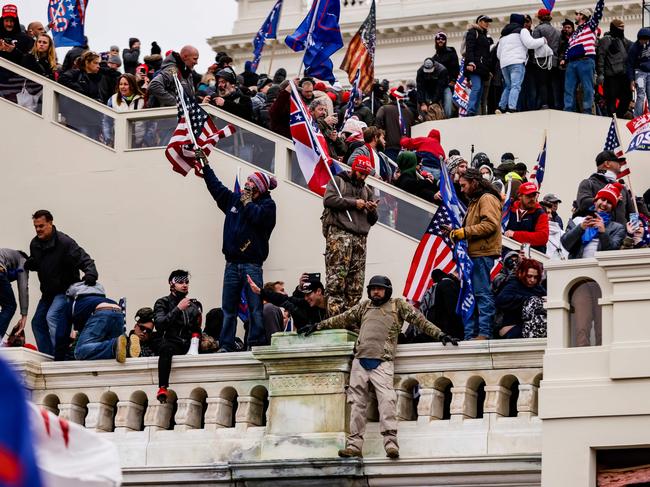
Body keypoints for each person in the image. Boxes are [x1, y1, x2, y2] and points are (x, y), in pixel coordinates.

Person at [298, 275, 458, 459]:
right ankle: (354, 446)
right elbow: (341, 319)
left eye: (379, 288)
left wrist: (441, 335)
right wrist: (317, 326)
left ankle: (391, 445)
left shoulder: (398, 305)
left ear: (387, 290)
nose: (375, 291)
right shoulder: (364, 306)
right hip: (360, 361)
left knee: (387, 403)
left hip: (383, 362)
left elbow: (420, 321)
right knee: (357, 405)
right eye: (373, 288)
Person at [202, 162, 277, 352]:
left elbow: (258, 218)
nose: (246, 183)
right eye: (247, 180)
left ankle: (255, 344)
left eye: (251, 182)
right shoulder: (234, 200)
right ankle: (226, 344)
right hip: (232, 264)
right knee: (228, 310)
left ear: (259, 187)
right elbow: (216, 188)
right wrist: (206, 167)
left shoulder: (268, 205)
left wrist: (248, 202)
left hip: (252, 264)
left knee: (255, 308)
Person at [25, 210, 98, 360]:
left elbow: (85, 259)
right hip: (48, 293)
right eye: (36, 226)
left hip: (65, 290)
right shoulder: (35, 244)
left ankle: (63, 355)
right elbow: (39, 261)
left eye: (41, 226)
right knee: (37, 322)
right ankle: (48, 356)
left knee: (52, 317)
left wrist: (91, 273)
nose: (38, 229)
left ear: (50, 223)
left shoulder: (65, 243)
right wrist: (32, 263)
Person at [448, 168, 502, 340]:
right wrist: (454, 232)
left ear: (474, 182)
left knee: (481, 294)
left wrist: (464, 232)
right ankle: (470, 334)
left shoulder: (487, 199)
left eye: (464, 185)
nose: (461, 189)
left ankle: (484, 333)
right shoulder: (475, 201)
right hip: (473, 256)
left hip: (482, 254)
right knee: (470, 295)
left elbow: (490, 225)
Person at [322, 156, 378, 316]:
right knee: (336, 280)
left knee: (356, 285)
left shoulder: (367, 191)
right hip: (340, 235)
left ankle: (350, 320)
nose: (363, 177)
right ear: (354, 169)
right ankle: (334, 319)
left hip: (360, 239)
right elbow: (329, 200)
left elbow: (373, 220)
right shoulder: (338, 181)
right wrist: (354, 203)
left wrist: (372, 209)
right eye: (361, 173)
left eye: (365, 175)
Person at [153, 270, 203, 402]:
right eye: (180, 282)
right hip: (171, 343)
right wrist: (178, 309)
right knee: (166, 348)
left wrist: (197, 341)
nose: (184, 285)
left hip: (188, 344)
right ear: (171, 283)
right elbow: (160, 325)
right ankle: (162, 387)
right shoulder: (162, 302)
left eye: (186, 282)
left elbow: (196, 329)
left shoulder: (192, 306)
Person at [66, 281, 135, 362]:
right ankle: (127, 347)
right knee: (117, 351)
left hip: (102, 312)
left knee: (80, 351)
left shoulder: (77, 302)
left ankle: (114, 345)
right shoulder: (100, 299)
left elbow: (66, 334)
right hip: (118, 312)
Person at [496, 14, 547, 114]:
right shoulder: (522, 30)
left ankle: (501, 107)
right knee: (515, 86)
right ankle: (511, 108)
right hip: (517, 62)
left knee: (508, 86)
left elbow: (498, 54)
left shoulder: (503, 36)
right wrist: (542, 40)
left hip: (504, 64)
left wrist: (505, 59)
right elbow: (530, 44)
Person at [562, 183, 627, 259]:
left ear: (612, 208)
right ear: (595, 201)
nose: (604, 204)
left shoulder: (618, 228)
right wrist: (580, 228)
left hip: (601, 269)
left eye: (609, 202)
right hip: (577, 267)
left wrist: (603, 233)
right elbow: (565, 244)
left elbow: (612, 253)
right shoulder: (578, 220)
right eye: (602, 199)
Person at [562, 0, 605, 113]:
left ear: (583, 16)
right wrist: (565, 59)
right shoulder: (574, 34)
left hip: (586, 61)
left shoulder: (590, 26)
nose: (575, 16)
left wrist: (601, 1)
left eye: (577, 14)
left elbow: (597, 14)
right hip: (572, 63)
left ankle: (587, 111)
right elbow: (569, 47)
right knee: (568, 89)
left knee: (587, 88)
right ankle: (568, 110)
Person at [576, 150, 633, 225]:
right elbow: (583, 203)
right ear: (607, 163)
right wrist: (608, 198)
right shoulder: (588, 183)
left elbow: (632, 214)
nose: (620, 165)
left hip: (621, 235)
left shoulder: (622, 189)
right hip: (598, 234)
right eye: (617, 162)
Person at [58, 51, 105, 140]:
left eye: (99, 63)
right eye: (95, 63)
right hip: (78, 120)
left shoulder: (98, 78)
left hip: (95, 121)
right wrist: (80, 90)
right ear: (87, 63)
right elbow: (62, 79)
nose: (98, 66)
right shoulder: (76, 73)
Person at [494, 259, 546, 339]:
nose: (532, 280)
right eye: (529, 276)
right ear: (522, 273)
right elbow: (501, 299)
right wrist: (528, 300)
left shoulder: (538, 288)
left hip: (530, 327)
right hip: (511, 328)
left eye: (535, 277)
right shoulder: (513, 283)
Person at [597, 19, 632, 117]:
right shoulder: (606, 40)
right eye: (620, 27)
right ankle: (612, 118)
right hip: (611, 76)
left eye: (623, 27)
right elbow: (601, 57)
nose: (622, 29)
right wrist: (601, 74)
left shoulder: (625, 41)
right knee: (611, 99)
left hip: (624, 75)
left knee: (627, 97)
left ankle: (619, 115)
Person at [504, 182, 550, 253]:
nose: (532, 199)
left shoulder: (540, 213)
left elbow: (542, 237)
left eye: (534, 195)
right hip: (509, 255)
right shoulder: (509, 209)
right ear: (520, 196)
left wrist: (514, 234)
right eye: (528, 196)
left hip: (533, 258)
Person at [418, 269, 464, 340]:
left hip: (443, 330)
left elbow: (448, 309)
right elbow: (451, 309)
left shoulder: (440, 286)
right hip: (450, 330)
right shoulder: (449, 284)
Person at [104, 73, 146, 147]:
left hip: (138, 143)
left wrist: (146, 141)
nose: (122, 87)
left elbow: (149, 123)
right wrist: (108, 139)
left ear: (132, 85)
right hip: (118, 142)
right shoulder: (112, 100)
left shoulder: (142, 100)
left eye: (126, 84)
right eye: (120, 84)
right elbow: (107, 121)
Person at [464, 14, 493, 116]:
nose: (487, 24)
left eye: (488, 22)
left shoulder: (484, 35)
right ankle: (470, 111)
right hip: (474, 66)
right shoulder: (473, 32)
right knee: (476, 87)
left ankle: (474, 111)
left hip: (482, 68)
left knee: (480, 89)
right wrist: (470, 62)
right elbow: (469, 49)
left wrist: (488, 70)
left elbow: (486, 55)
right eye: (485, 21)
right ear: (479, 22)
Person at [533, 9, 562, 109]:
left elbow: (534, 45)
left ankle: (544, 104)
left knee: (542, 84)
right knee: (551, 84)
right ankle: (553, 105)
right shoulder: (557, 32)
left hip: (542, 61)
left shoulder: (538, 29)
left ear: (539, 17)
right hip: (554, 61)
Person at [376, 88, 414, 161]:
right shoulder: (409, 112)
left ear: (391, 98)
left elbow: (377, 124)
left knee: (390, 171)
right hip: (406, 150)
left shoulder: (384, 109)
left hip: (390, 147)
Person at [0, 249, 28, 340]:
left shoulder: (8, 254)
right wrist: (24, 315)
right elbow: (23, 288)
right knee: (10, 306)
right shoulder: (23, 260)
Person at [432, 31, 459, 118]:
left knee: (448, 103)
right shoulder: (434, 58)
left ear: (445, 40)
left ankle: (449, 118)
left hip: (448, 84)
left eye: (443, 39)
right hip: (438, 85)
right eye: (438, 39)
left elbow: (455, 67)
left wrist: (453, 80)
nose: (440, 40)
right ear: (436, 41)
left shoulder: (451, 51)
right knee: (438, 105)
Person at [627, 28, 650, 117]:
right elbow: (629, 64)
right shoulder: (634, 48)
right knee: (641, 95)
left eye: (646, 40)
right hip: (639, 73)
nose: (644, 42)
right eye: (642, 40)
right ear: (639, 39)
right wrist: (631, 79)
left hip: (649, 73)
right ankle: (637, 117)